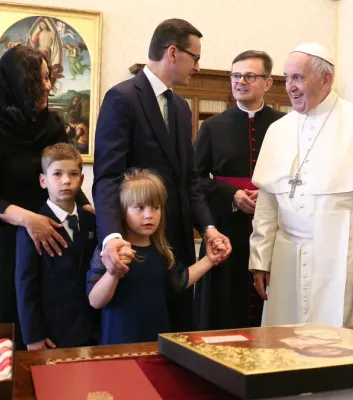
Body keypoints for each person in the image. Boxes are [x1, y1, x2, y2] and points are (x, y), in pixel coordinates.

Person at [249, 43, 353, 327]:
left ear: (326, 79)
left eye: (298, 77)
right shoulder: (278, 129)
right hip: (287, 257)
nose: (290, 87)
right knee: (285, 345)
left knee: (344, 347)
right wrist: (261, 259)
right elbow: (268, 204)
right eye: (287, 78)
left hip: (343, 258)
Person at [92, 19, 231, 332]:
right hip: (137, 244)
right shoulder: (122, 98)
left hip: (178, 243)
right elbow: (108, 176)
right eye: (195, 58)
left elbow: (190, 180)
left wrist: (208, 227)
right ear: (173, 52)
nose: (196, 67)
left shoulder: (181, 107)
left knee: (179, 334)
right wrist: (112, 236)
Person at [0, 45, 91, 348]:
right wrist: (27, 219)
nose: (48, 86)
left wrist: (91, 210)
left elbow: (64, 171)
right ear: (17, 83)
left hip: (48, 235)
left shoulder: (52, 124)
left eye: (48, 77)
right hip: (6, 237)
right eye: (38, 80)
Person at [193, 50, 286, 330]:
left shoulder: (284, 126)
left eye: (249, 75)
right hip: (226, 229)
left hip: (275, 230)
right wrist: (230, 195)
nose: (240, 81)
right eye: (235, 75)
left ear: (267, 83)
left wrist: (270, 194)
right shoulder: (212, 126)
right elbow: (194, 178)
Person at [87, 169, 224, 345]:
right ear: (122, 212)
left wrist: (209, 260)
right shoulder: (109, 251)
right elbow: (95, 301)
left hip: (156, 340)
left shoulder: (161, 248)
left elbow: (178, 281)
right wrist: (113, 273)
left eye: (156, 207)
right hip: (118, 342)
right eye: (139, 207)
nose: (149, 215)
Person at [15, 143, 98, 350]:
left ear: (81, 179)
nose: (66, 181)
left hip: (93, 330)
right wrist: (33, 335)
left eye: (73, 174)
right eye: (57, 174)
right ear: (43, 181)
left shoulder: (92, 220)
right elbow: (26, 285)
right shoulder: (31, 227)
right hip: (53, 333)